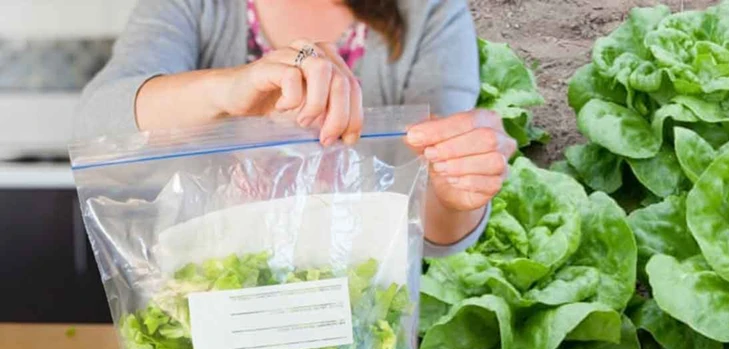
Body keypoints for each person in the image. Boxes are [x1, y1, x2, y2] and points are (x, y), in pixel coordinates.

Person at [75, 0, 517, 255]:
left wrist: (459, 192)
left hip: (365, 316)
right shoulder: (194, 6)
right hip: (209, 301)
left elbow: (433, 230)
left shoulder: (428, 10)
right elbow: (97, 125)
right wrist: (228, 89)